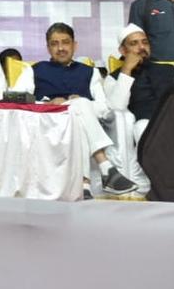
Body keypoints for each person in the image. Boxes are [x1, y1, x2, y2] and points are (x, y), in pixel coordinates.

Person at [24, 23, 138, 197]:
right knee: (80, 106)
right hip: (49, 123)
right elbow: (18, 101)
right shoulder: (34, 70)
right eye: (54, 44)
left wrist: (76, 103)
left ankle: (85, 185)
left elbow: (103, 108)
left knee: (80, 106)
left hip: (80, 121)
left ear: (75, 45)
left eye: (65, 42)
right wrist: (48, 103)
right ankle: (105, 167)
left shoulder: (90, 72)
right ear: (48, 48)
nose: (60, 48)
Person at [107, 24, 174, 142]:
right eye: (134, 43)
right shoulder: (114, 78)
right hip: (145, 123)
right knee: (142, 127)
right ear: (123, 51)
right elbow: (116, 108)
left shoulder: (169, 69)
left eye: (145, 42)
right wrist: (126, 70)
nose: (141, 47)